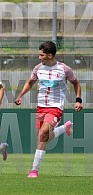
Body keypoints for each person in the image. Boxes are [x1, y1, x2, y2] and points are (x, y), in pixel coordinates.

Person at [14, 41, 83, 178]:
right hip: (41, 107)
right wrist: (21, 95)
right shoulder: (38, 68)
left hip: (56, 106)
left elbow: (76, 83)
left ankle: (34, 170)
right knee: (42, 137)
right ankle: (64, 128)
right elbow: (30, 82)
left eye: (41, 55)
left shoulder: (64, 69)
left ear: (50, 55)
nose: (39, 57)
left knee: (44, 132)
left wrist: (78, 99)